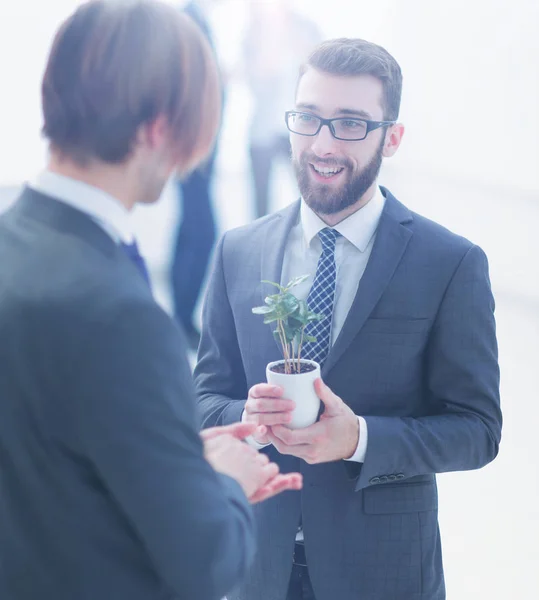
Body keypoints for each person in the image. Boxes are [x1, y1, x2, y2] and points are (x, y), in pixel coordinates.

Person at [0, 2, 301, 600]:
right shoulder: (121, 316)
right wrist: (224, 485)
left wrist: (174, 456)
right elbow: (205, 562)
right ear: (159, 128)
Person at [194, 37, 502, 600]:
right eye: (308, 119)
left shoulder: (451, 262)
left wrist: (358, 438)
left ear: (393, 137)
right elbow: (203, 399)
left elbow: (478, 431)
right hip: (254, 567)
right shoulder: (237, 251)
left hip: (382, 573)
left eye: (351, 124)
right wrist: (250, 416)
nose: (324, 143)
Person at [171, 0, 222, 350]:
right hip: (193, 153)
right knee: (202, 232)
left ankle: (180, 319)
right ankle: (181, 318)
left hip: (198, 153)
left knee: (191, 230)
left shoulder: (197, 20)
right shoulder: (189, 21)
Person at [242, 0, 322, 219]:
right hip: (262, 130)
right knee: (260, 205)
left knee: (312, 197)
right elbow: (255, 83)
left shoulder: (307, 29)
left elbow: (321, 78)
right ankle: (262, 250)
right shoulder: (254, 32)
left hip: (299, 129)